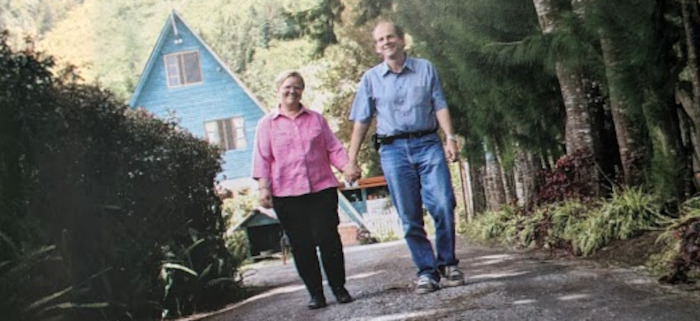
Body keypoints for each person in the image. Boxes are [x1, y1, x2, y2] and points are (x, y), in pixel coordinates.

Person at [344, 20, 465, 294]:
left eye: (390, 37)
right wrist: (351, 160)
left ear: (402, 40)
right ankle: (427, 272)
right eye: (380, 40)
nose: (386, 42)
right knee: (409, 216)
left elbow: (440, 105)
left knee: (444, 204)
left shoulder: (425, 69)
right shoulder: (370, 79)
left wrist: (450, 137)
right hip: (393, 151)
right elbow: (361, 122)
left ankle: (448, 263)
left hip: (428, 144)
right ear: (377, 48)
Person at [252, 71, 354, 309]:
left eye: (298, 87)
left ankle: (339, 288)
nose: (292, 91)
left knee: (328, 238)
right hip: (286, 195)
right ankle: (316, 294)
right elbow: (262, 158)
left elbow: (334, 148)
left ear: (302, 91)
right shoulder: (267, 124)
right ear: (278, 90)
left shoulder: (316, 119)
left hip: (321, 189)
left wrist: (347, 166)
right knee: (301, 244)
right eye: (288, 87)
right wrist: (263, 188)